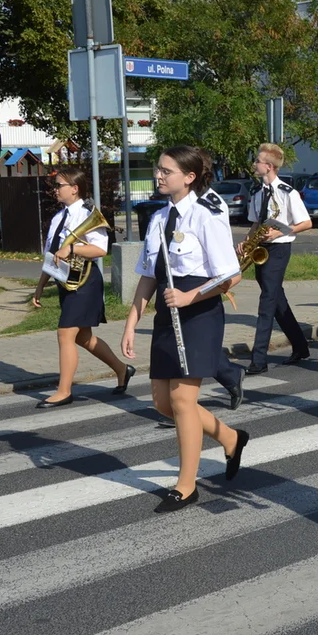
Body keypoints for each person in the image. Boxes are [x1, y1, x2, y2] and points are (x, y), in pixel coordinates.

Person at [121, 146, 248, 512]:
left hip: (199, 314)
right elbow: (148, 276)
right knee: (164, 403)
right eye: (158, 170)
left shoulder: (206, 215)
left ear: (189, 177)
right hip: (167, 314)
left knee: (182, 400)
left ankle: (186, 485)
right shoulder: (160, 218)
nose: (158, 176)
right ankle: (230, 437)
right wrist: (131, 323)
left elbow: (230, 274)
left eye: (166, 171)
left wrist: (190, 296)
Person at [32, 168, 135, 409]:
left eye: (59, 185)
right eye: (56, 185)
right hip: (66, 282)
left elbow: (100, 250)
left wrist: (73, 248)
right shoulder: (58, 218)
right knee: (84, 337)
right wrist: (39, 288)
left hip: (85, 282)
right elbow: (51, 257)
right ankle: (122, 369)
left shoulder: (88, 214)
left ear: (74, 188)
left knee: (65, 333)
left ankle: (64, 391)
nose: (56, 189)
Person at [238, 143, 312, 375]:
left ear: (269, 166)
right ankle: (301, 347)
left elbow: (306, 223)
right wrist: (246, 241)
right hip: (261, 248)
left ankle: (258, 360)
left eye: (258, 161)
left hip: (279, 250)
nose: (255, 164)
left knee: (267, 303)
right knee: (277, 300)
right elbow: (257, 223)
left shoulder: (287, 193)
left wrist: (281, 232)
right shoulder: (258, 192)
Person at [199, 150, 244, 410]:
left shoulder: (210, 203)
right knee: (188, 350)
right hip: (178, 287)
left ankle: (230, 375)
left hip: (204, 284)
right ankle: (177, 405)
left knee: (200, 350)